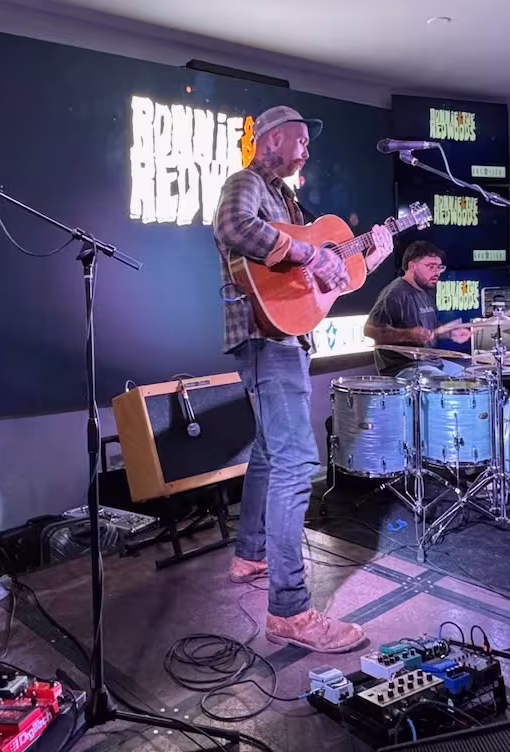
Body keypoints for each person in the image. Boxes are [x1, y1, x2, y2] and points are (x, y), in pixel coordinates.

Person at [214, 105, 393, 653]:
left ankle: (251, 554)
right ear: (270, 139)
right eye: (299, 136)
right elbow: (232, 228)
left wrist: (366, 256)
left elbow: (319, 277)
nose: (307, 146)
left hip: (286, 336)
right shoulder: (246, 182)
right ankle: (289, 612)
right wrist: (311, 253)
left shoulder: (291, 202)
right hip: (267, 339)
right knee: (296, 463)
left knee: (270, 455)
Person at [364, 241, 473, 377]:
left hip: (432, 363)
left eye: (439, 267)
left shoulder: (426, 289)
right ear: (412, 266)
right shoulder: (395, 294)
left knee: (471, 377)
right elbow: (369, 330)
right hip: (404, 368)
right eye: (431, 266)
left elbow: (428, 328)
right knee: (447, 385)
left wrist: (449, 333)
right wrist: (406, 334)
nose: (437, 272)